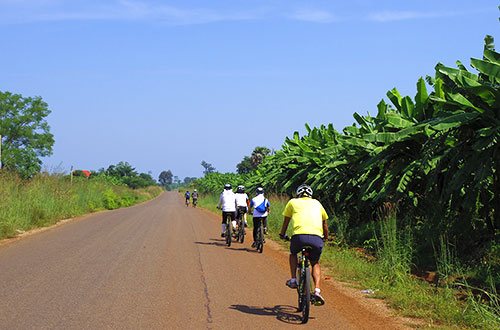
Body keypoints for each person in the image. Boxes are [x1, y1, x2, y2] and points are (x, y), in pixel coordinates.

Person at [279, 184, 329, 306]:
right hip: (316, 238)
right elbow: (325, 224)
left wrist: (282, 234)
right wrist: (326, 237)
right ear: (311, 194)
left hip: (298, 237)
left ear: (298, 194)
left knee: (293, 254)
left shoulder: (293, 202)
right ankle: (317, 291)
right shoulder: (317, 203)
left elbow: (286, 221)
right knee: (315, 263)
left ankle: (293, 280)